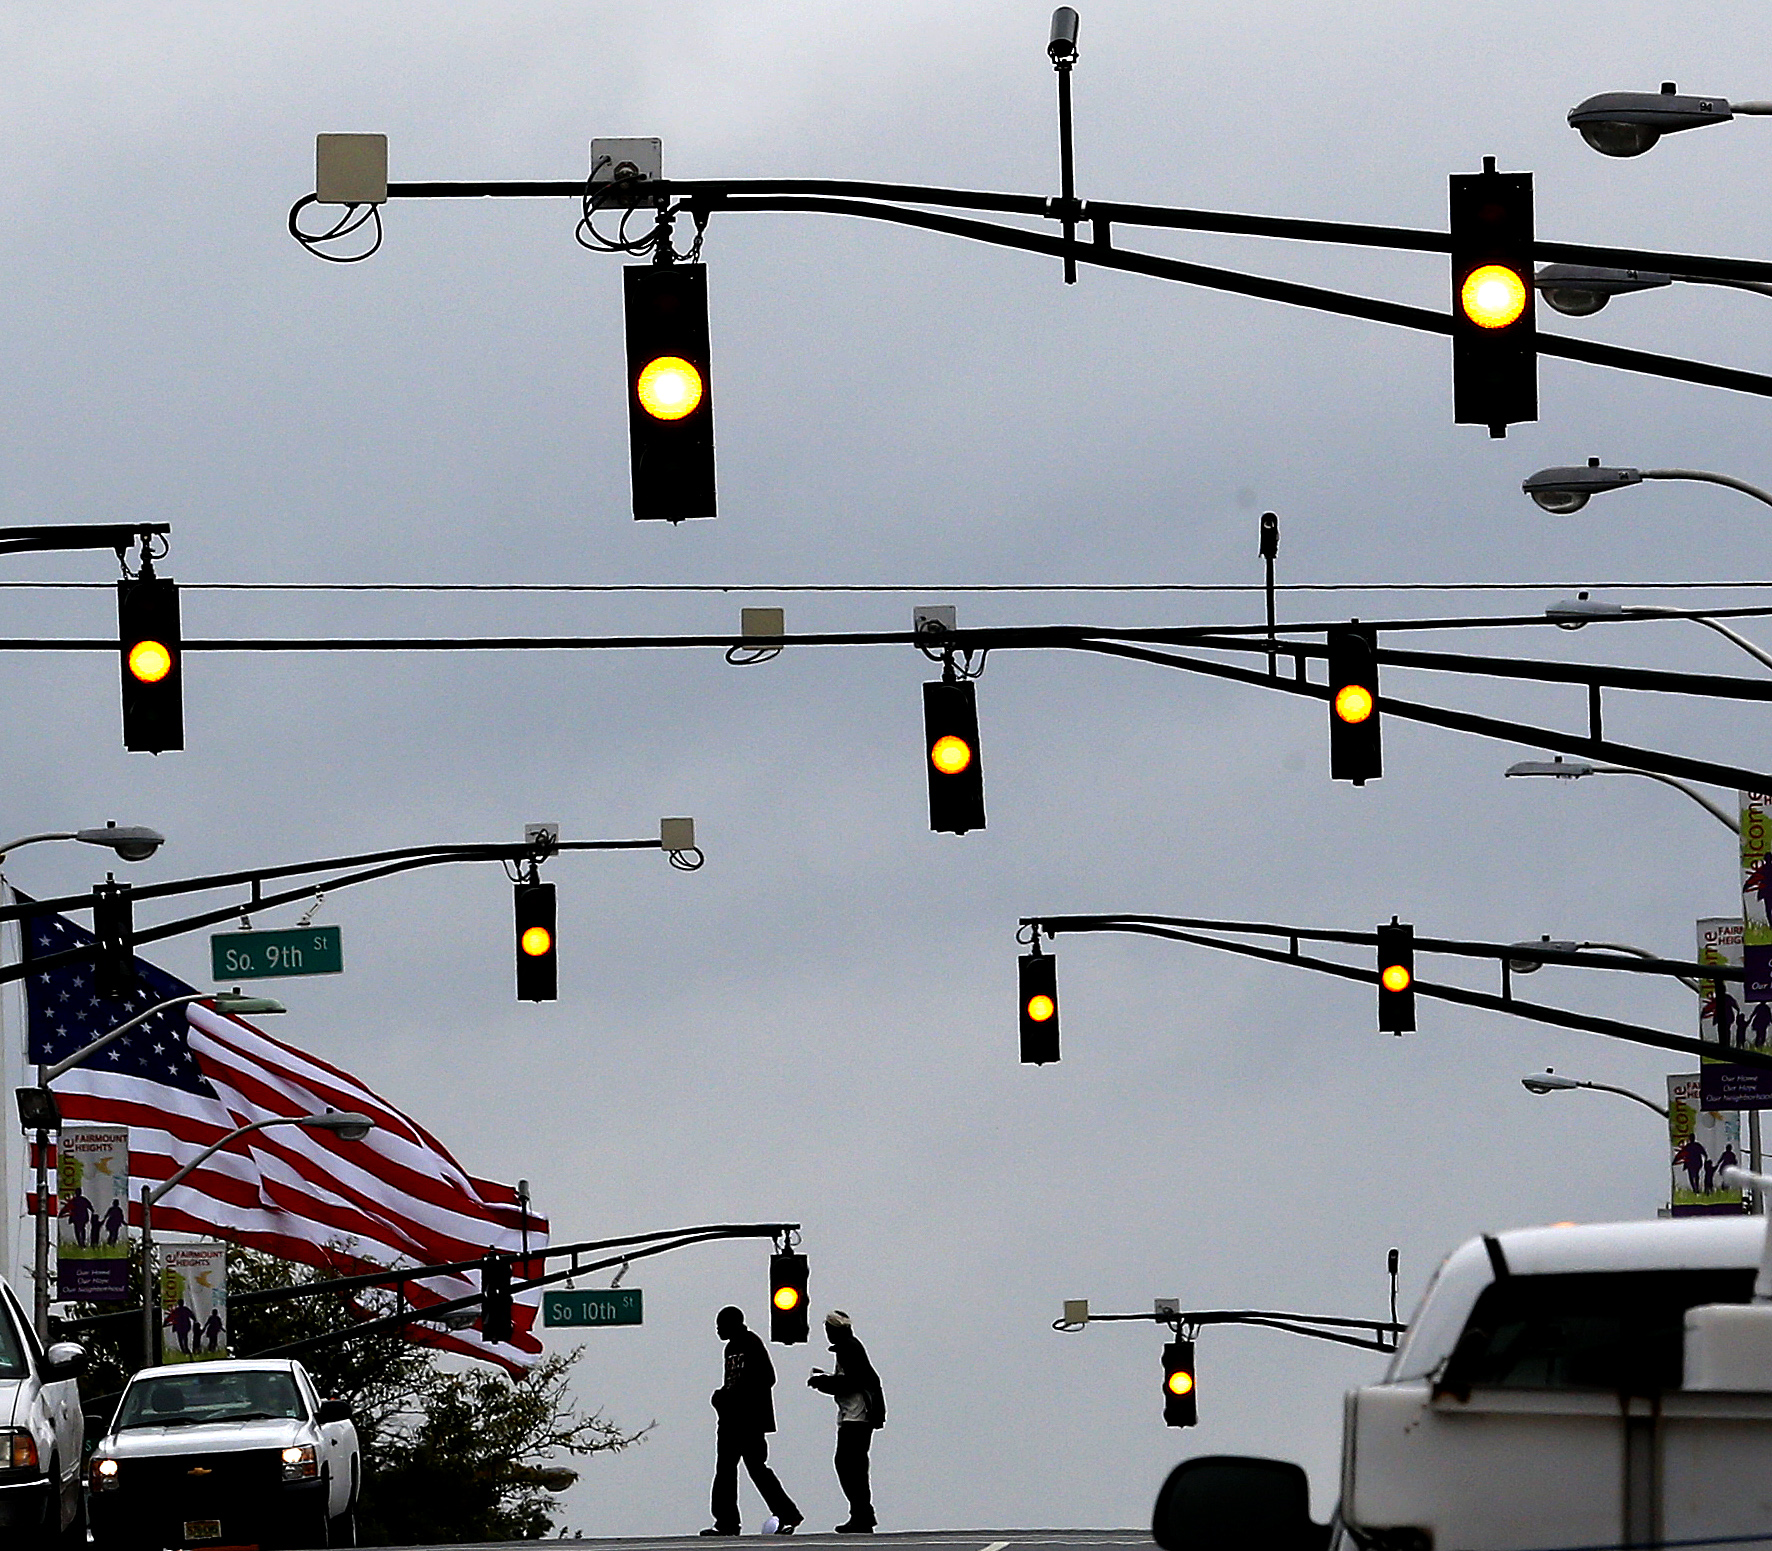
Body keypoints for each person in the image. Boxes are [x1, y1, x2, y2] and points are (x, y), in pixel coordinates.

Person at [702, 1305, 802, 1537]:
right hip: (730, 1421)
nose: (717, 1330)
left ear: (733, 1323)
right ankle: (726, 1522)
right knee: (726, 1471)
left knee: (755, 1469)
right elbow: (733, 1383)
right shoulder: (731, 1348)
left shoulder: (750, 1343)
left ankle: (787, 1514)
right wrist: (723, 1397)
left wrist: (732, 1396)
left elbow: (768, 1377)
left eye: (721, 1325)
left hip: (749, 1421)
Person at [807, 1310, 886, 1534]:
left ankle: (861, 1513)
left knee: (849, 1464)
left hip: (857, 1415)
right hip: (854, 1414)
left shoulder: (849, 1348)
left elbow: (851, 1382)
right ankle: (861, 1513)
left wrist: (825, 1382)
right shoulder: (850, 1347)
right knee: (852, 1465)